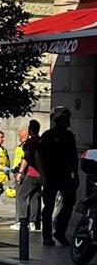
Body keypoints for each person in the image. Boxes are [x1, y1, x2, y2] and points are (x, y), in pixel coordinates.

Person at [37, 106, 80, 247]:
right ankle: (47, 236)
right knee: (48, 207)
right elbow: (39, 156)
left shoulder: (69, 136)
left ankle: (60, 232)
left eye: (68, 118)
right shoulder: (48, 135)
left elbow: (74, 157)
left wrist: (76, 174)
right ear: (57, 120)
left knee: (69, 204)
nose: (67, 121)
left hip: (66, 176)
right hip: (51, 176)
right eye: (64, 118)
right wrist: (43, 176)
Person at [11, 119, 42, 232]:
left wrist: (20, 172)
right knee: (35, 198)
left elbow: (26, 158)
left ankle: (23, 221)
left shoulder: (30, 142)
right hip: (41, 175)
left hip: (31, 173)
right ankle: (33, 223)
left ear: (30, 131)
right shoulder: (41, 140)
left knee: (21, 195)